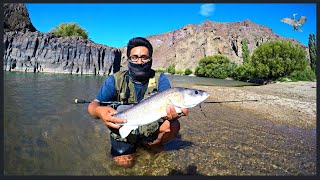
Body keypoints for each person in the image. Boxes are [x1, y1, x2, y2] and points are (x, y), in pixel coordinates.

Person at [87, 37, 188, 168]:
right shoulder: (115, 80)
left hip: (149, 128)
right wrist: (99, 111)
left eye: (144, 57)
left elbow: (169, 109)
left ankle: (152, 145)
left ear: (151, 59)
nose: (139, 62)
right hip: (123, 128)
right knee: (125, 165)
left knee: (174, 124)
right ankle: (133, 148)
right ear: (128, 59)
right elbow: (93, 105)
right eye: (134, 57)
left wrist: (173, 115)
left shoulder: (161, 79)